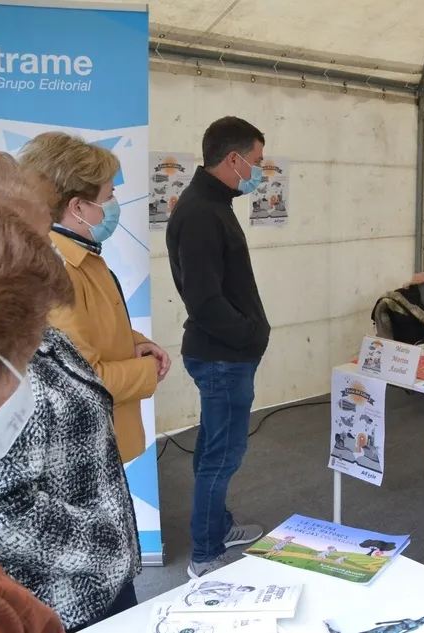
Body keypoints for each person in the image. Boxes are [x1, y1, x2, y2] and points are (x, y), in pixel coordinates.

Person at [0, 159, 141, 632]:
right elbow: (1, 509)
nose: (50, 252)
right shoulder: (8, 363)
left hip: (98, 583)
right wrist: (108, 548)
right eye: (38, 240)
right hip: (66, 595)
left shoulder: (35, 329)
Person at [18, 132, 171, 465]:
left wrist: (137, 342)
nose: (113, 205)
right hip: (85, 447)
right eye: (108, 195)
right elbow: (82, 379)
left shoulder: (77, 256)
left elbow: (95, 329)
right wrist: (147, 369)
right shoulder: (57, 271)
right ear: (77, 207)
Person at [166, 116, 270, 578]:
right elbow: (204, 300)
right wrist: (250, 334)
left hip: (224, 354)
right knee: (221, 457)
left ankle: (219, 526)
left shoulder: (213, 204)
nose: (260, 170)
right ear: (233, 159)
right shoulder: (201, 214)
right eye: (257, 161)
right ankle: (206, 555)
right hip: (222, 357)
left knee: (214, 448)